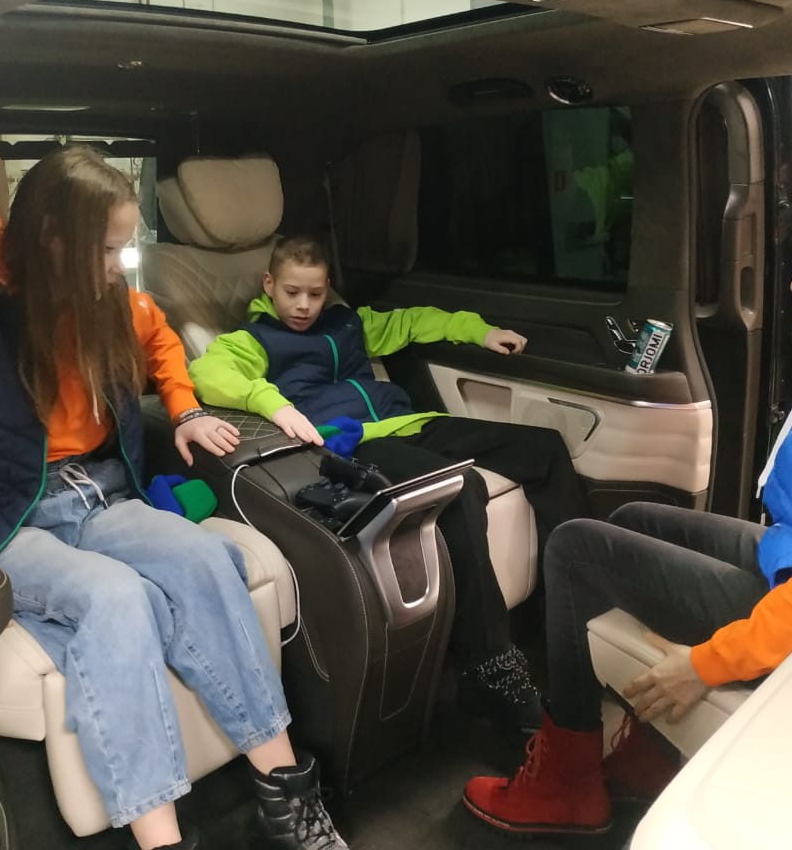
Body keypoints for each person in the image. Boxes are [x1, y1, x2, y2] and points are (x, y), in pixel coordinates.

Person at [0, 148, 376, 850]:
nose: (120, 266)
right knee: (117, 601)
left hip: (102, 493)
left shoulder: (118, 302)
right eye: (108, 249)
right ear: (53, 239)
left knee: (206, 561)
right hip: (11, 520)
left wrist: (183, 408)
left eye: (124, 249)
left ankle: (288, 807)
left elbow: (159, 342)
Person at [462, 168, 792, 837]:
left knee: (574, 548)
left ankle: (567, 784)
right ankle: (648, 753)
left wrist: (706, 663)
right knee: (632, 521)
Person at [189, 234, 591, 731]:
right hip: (351, 442)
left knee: (545, 448)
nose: (304, 305)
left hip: (410, 422)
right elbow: (209, 372)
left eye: (315, 293)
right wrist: (275, 406)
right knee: (462, 486)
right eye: (292, 292)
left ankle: (579, 620)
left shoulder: (347, 323)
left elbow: (414, 321)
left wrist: (480, 332)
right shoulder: (254, 340)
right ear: (269, 284)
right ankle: (490, 669)